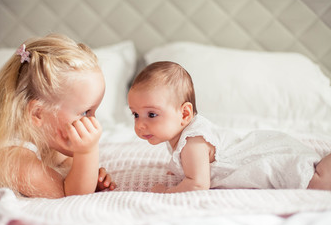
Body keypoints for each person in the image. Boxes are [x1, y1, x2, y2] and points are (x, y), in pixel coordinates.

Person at [127, 61, 331, 193]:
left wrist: (166, 192)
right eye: (135, 114)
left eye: (151, 114)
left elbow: (198, 184)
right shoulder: (179, 136)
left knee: (316, 181)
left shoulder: (192, 143)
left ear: (185, 114)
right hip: (263, 146)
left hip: (267, 160)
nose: (140, 124)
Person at [0, 34, 116, 198]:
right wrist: (87, 153)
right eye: (85, 112)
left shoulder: (39, 131)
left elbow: (63, 161)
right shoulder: (14, 159)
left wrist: (87, 171)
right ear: (37, 113)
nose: (93, 121)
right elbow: (70, 196)